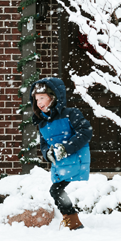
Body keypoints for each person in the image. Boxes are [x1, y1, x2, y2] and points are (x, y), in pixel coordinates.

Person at [30, 77, 92, 230]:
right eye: (36, 99)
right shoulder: (42, 121)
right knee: (56, 190)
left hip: (75, 158)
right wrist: (47, 153)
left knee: (56, 190)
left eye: (42, 98)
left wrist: (66, 148)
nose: (39, 102)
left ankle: (73, 223)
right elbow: (44, 143)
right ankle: (72, 222)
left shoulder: (71, 114)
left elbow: (85, 132)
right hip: (60, 163)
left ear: (54, 97)